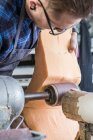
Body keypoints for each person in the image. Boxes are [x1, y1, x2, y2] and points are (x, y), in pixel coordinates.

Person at [0, 0, 93, 76]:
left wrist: (73, 30)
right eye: (57, 28)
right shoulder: (4, 23)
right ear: (33, 5)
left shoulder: (45, 8)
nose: (59, 31)